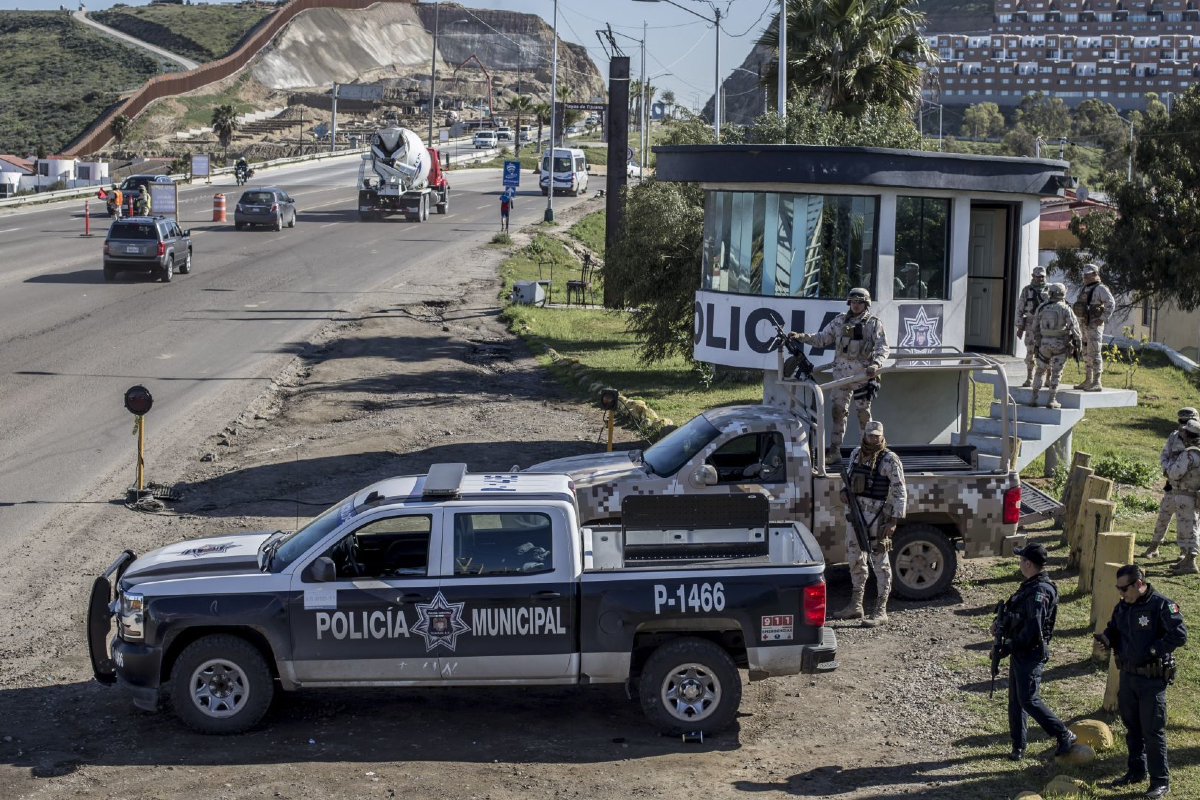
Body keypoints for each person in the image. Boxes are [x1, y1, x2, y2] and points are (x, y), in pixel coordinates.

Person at [1095, 564, 1187, 798]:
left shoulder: (1161, 605)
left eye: (1123, 588)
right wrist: (1107, 638)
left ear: (1138, 583)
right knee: (1132, 728)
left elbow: (1179, 634)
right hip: (1128, 676)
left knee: (1152, 731)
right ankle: (1136, 771)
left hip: (1151, 680)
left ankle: (1160, 781)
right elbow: (1114, 628)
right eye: (1118, 588)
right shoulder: (1124, 605)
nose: (1120, 593)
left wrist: (1155, 650)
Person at [995, 542, 1077, 761]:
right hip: (1021, 651)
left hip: (1030, 652)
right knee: (1016, 700)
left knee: (1029, 699)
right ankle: (1018, 746)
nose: (1020, 563)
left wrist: (1009, 647)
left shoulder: (1040, 590)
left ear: (1028, 563)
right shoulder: (1030, 585)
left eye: (1021, 560)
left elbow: (1033, 628)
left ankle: (1063, 733)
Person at [788, 287, 889, 462]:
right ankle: (834, 451)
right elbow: (821, 339)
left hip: (862, 378)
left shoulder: (873, 323)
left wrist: (876, 364)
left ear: (866, 304)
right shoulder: (839, 321)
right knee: (837, 413)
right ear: (849, 303)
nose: (856, 305)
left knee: (863, 415)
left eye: (860, 302)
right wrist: (801, 337)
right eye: (853, 302)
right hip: (840, 378)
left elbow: (883, 347)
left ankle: (868, 454)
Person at [833, 420, 906, 626]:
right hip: (855, 515)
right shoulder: (856, 453)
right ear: (864, 435)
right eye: (870, 435)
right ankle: (856, 605)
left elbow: (900, 491)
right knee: (854, 558)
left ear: (882, 436)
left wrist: (893, 520)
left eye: (877, 436)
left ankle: (881, 610)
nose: (873, 439)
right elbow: (849, 478)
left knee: (880, 563)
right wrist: (843, 492)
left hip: (878, 518)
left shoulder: (890, 459)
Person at [1143, 408, 1199, 562]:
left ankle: (1185, 553)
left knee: (1188, 521)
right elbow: (1165, 455)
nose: (1184, 425)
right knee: (1164, 515)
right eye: (1181, 421)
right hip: (1172, 485)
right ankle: (1154, 546)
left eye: (1187, 421)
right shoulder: (1174, 437)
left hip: (1190, 489)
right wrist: (1168, 470)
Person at [1028, 282, 1082, 409]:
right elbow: (1074, 328)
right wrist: (1077, 344)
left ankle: (1033, 397)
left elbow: (1034, 327)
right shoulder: (1065, 308)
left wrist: (1038, 340)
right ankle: (1051, 399)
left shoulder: (1041, 307)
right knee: (1056, 372)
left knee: (1039, 371)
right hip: (1060, 345)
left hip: (1043, 345)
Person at [1162, 418, 1200, 575]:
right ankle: (1186, 560)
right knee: (1191, 525)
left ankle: (1190, 562)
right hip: (1193, 496)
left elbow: (1175, 473)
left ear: (1187, 435)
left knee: (1188, 528)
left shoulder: (1189, 454)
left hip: (1186, 495)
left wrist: (1168, 467)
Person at [1072, 263, 1115, 391]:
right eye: (1085, 274)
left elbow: (1111, 304)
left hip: (1094, 325)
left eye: (1088, 274)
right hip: (1084, 324)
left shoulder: (1101, 288)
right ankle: (1088, 379)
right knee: (1085, 352)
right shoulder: (1085, 288)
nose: (1086, 277)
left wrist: (1102, 319)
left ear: (1095, 274)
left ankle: (1097, 381)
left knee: (1095, 352)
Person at [1016, 266, 1049, 388]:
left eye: (1042, 276)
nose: (1040, 279)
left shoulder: (1050, 289)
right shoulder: (1026, 290)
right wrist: (1020, 326)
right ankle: (1029, 377)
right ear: (1033, 276)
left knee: (1046, 352)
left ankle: (1047, 378)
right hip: (1030, 325)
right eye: (1038, 276)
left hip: (1046, 326)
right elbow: (1020, 309)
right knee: (1030, 352)